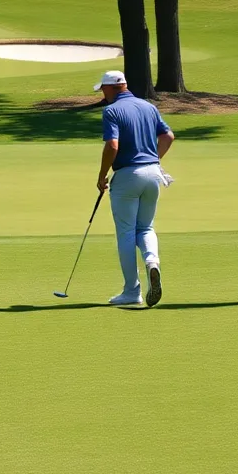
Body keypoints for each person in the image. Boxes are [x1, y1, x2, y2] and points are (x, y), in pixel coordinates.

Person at [94, 70, 176, 307]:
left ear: (111, 88)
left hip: (128, 176)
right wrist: (153, 160)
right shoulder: (148, 106)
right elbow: (168, 136)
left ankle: (132, 290)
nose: (102, 93)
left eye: (103, 89)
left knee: (127, 233)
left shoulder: (111, 111)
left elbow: (112, 145)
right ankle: (152, 262)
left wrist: (102, 176)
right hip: (153, 174)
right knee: (146, 227)